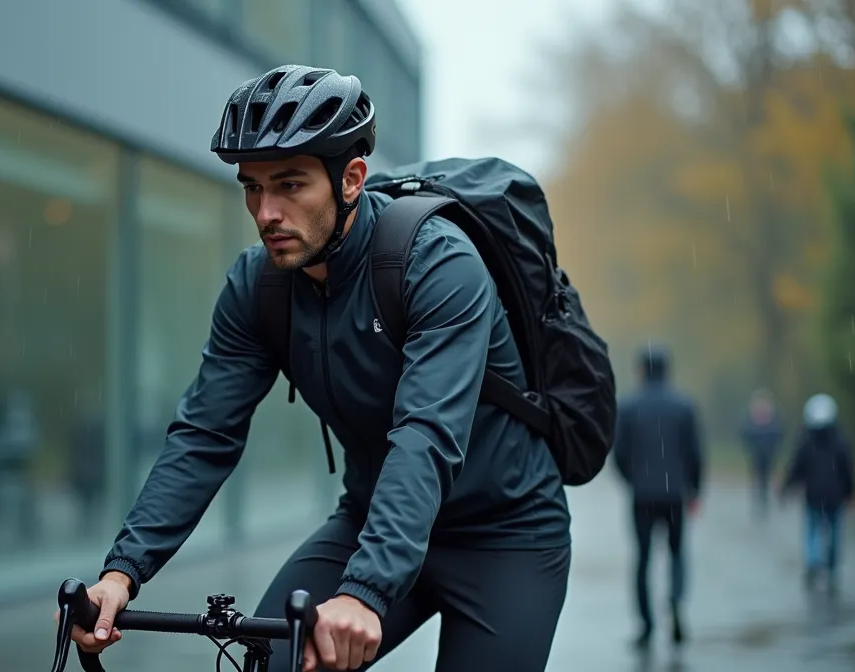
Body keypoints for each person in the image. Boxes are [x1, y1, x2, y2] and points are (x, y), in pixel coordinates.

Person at [63, 64, 572, 671]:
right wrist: (121, 575)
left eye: (289, 185)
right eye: (251, 187)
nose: (266, 212)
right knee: (272, 663)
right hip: (367, 518)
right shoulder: (259, 288)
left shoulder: (438, 264)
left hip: (505, 533)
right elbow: (203, 436)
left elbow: (425, 435)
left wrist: (364, 593)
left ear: (351, 178)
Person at [612, 345, 703, 649]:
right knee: (677, 553)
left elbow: (619, 453)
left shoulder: (628, 405)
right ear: (668, 370)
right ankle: (675, 601)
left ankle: (646, 626)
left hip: (643, 495)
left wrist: (632, 480)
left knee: (642, 559)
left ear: (642, 370)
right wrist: (695, 489)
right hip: (675, 493)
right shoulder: (684, 405)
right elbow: (695, 453)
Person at [779, 393, 855, 595]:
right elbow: (848, 469)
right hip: (835, 496)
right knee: (834, 533)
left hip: (814, 496)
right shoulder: (840, 440)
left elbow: (796, 467)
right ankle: (830, 568)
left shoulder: (806, 440)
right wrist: (850, 491)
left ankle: (813, 562)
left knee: (813, 530)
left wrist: (787, 487)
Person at [740, 388, 784, 518]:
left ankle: (763, 500)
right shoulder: (752, 423)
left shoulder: (772, 424)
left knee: (765, 479)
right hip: (756, 456)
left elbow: (778, 436)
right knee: (757, 479)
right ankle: (758, 501)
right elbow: (745, 435)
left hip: (768, 456)